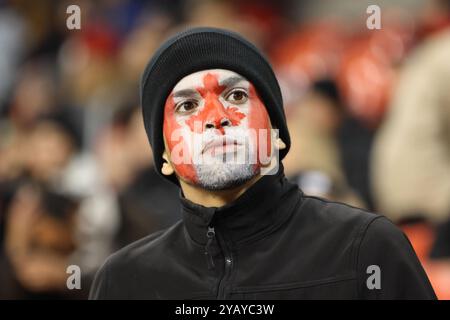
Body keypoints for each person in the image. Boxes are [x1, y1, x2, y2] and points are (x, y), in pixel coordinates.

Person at [89, 27, 436, 299]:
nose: (215, 118)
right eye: (187, 106)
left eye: (236, 96)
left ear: (277, 134)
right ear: (163, 157)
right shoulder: (124, 281)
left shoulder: (365, 249)